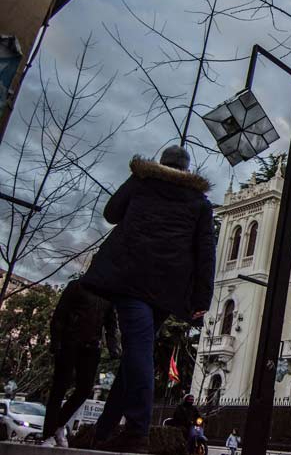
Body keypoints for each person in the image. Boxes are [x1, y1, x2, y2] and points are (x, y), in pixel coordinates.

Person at [81, 146, 216, 453]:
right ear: (186, 169)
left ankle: (137, 430)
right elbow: (206, 253)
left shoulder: (141, 182)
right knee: (137, 350)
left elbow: (111, 213)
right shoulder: (199, 202)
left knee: (137, 350)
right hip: (168, 289)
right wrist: (201, 298)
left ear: (162, 163)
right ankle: (105, 430)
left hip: (130, 278)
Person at [41, 280, 120, 447]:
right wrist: (56, 340)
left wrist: (114, 347)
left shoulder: (108, 294)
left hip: (91, 347)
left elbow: (111, 324)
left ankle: (58, 425)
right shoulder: (77, 286)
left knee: (84, 389)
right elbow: (60, 314)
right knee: (59, 388)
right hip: (70, 342)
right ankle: (48, 435)